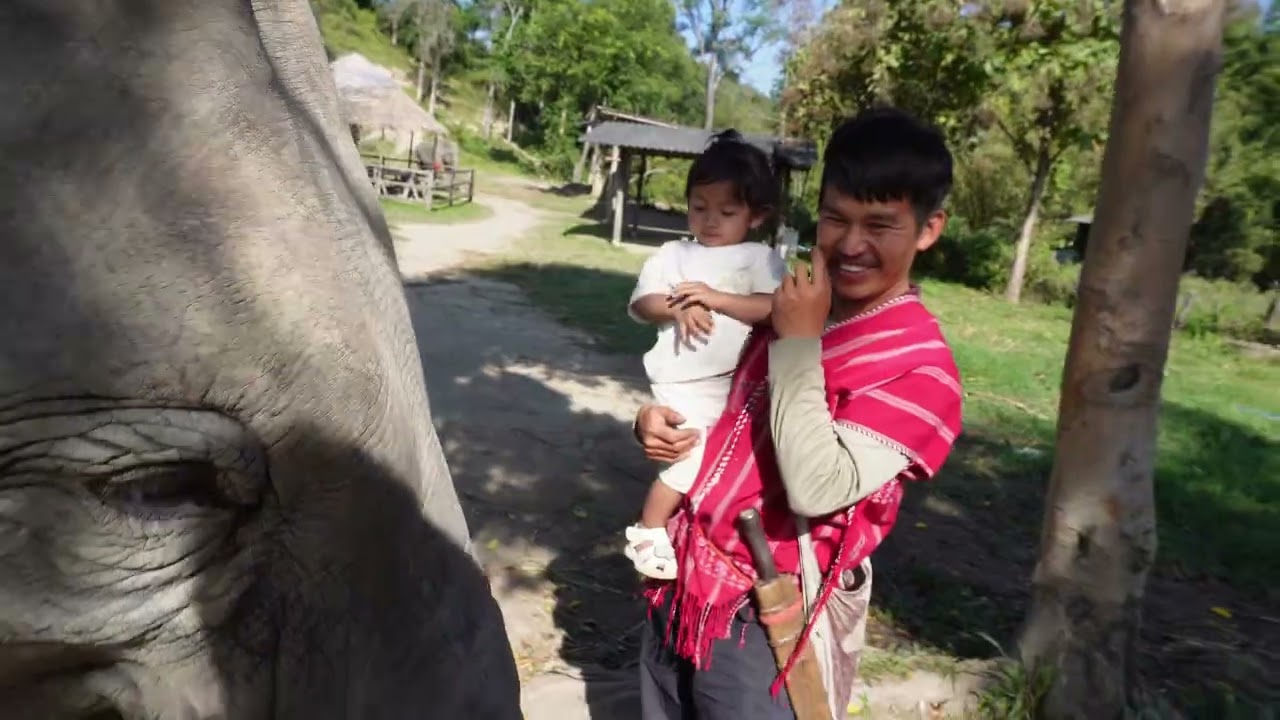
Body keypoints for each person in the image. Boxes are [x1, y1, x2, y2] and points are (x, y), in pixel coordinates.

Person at [631, 107, 965, 719]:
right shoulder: (799, 297)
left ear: (928, 229)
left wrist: (798, 342)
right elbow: (718, 396)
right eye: (836, 218)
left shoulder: (920, 371)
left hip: (763, 617)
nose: (852, 244)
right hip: (681, 575)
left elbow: (818, 487)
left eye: (881, 225)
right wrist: (654, 419)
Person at [623, 129, 787, 581]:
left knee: (725, 465)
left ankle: (703, 544)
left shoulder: (762, 260)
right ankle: (648, 529)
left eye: (727, 211)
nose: (710, 221)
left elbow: (777, 309)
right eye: (699, 208)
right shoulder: (673, 254)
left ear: (756, 216)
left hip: (740, 388)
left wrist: (716, 299)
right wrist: (680, 305)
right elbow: (641, 304)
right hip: (683, 384)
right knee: (687, 457)